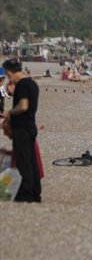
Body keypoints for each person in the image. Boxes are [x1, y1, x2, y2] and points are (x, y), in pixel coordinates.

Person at [1, 59, 41, 202]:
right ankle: (35, 192)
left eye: (6, 74)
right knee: (31, 161)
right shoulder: (32, 83)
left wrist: (10, 113)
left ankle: (26, 194)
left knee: (24, 161)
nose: (7, 76)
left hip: (22, 128)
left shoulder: (22, 85)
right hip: (30, 126)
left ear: (10, 72)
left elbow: (23, 106)